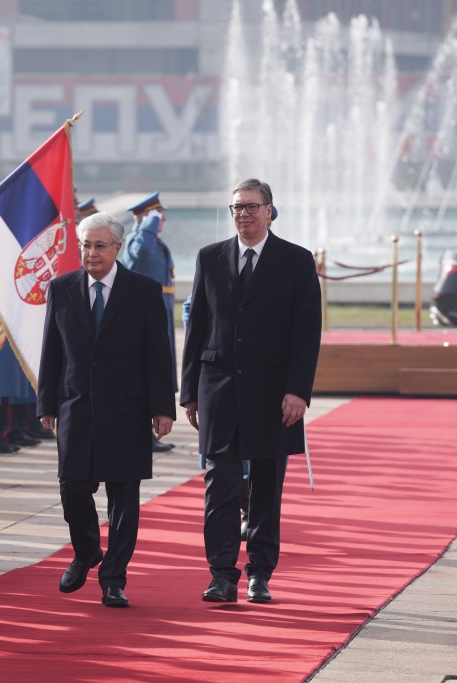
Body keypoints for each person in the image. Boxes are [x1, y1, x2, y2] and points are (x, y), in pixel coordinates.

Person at [180, 178, 321, 605]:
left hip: (273, 395)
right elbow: (197, 328)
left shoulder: (296, 261)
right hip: (219, 390)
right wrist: (189, 393)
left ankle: (260, 573)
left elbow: (306, 333)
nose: (243, 214)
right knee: (219, 485)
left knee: (265, 488)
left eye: (252, 207)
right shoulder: (210, 258)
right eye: (236, 207)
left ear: (270, 211)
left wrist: (298, 391)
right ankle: (222, 573)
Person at [37, 212, 176, 608]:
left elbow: (158, 354)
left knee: (123, 496)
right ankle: (86, 552)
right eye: (85, 245)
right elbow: (52, 350)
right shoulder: (61, 288)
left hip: (127, 409)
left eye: (100, 245)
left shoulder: (143, 290)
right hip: (76, 405)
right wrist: (46, 402)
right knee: (73, 488)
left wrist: (162, 408)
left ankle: (114, 577)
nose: (92, 253)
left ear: (117, 248)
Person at [120, 192, 176, 453]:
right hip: (145, 319)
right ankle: (142, 435)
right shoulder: (137, 239)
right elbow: (140, 253)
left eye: (161, 216)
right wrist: (148, 224)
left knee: (158, 373)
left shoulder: (155, 242)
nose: (162, 220)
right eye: (157, 215)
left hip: (160, 314)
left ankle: (150, 434)